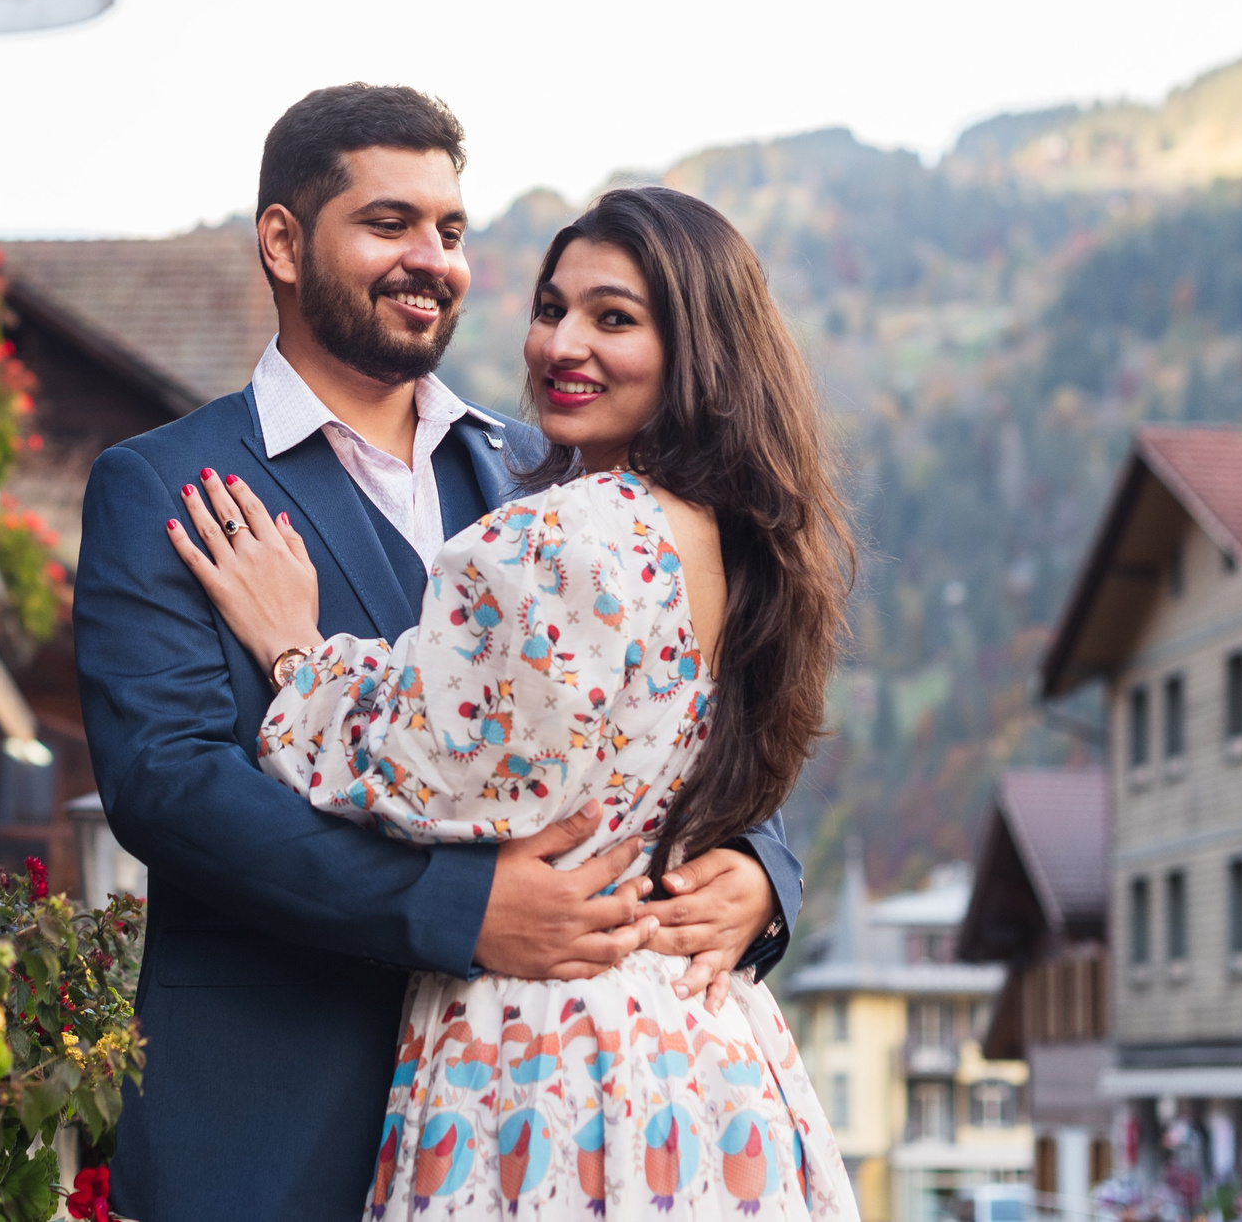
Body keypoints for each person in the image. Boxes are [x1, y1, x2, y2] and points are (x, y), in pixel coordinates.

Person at [75, 87, 804, 1222]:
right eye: (389, 224)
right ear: (282, 241)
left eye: (451, 231)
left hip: (551, 1107)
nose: (433, 259)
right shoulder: (163, 483)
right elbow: (169, 787)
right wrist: (457, 907)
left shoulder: (557, 476)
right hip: (279, 1103)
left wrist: (760, 872)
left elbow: (686, 702)